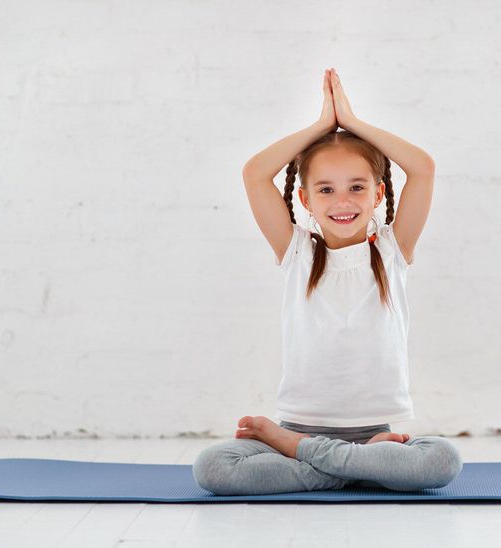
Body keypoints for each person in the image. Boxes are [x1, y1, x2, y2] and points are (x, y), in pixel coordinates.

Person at [193, 68, 461, 495]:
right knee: (213, 468)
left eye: (356, 187)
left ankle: (310, 458)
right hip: (309, 429)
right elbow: (254, 173)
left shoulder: (392, 250)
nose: (342, 201)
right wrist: (322, 126)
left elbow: (423, 168)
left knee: (443, 460)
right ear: (305, 199)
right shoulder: (296, 252)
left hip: (370, 431)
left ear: (377, 193)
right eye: (325, 190)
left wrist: (352, 123)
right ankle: (358, 467)